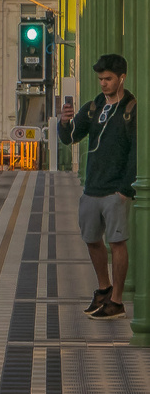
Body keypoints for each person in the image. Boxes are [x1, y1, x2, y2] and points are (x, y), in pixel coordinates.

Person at [60, 53, 136, 320]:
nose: (103, 84)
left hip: (115, 189)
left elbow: (136, 152)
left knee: (117, 242)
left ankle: (117, 301)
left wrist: (125, 189)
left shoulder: (131, 108)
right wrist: (65, 121)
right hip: (92, 187)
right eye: (101, 79)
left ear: (121, 78)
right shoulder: (93, 107)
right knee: (92, 240)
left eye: (108, 79)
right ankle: (104, 289)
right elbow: (71, 138)